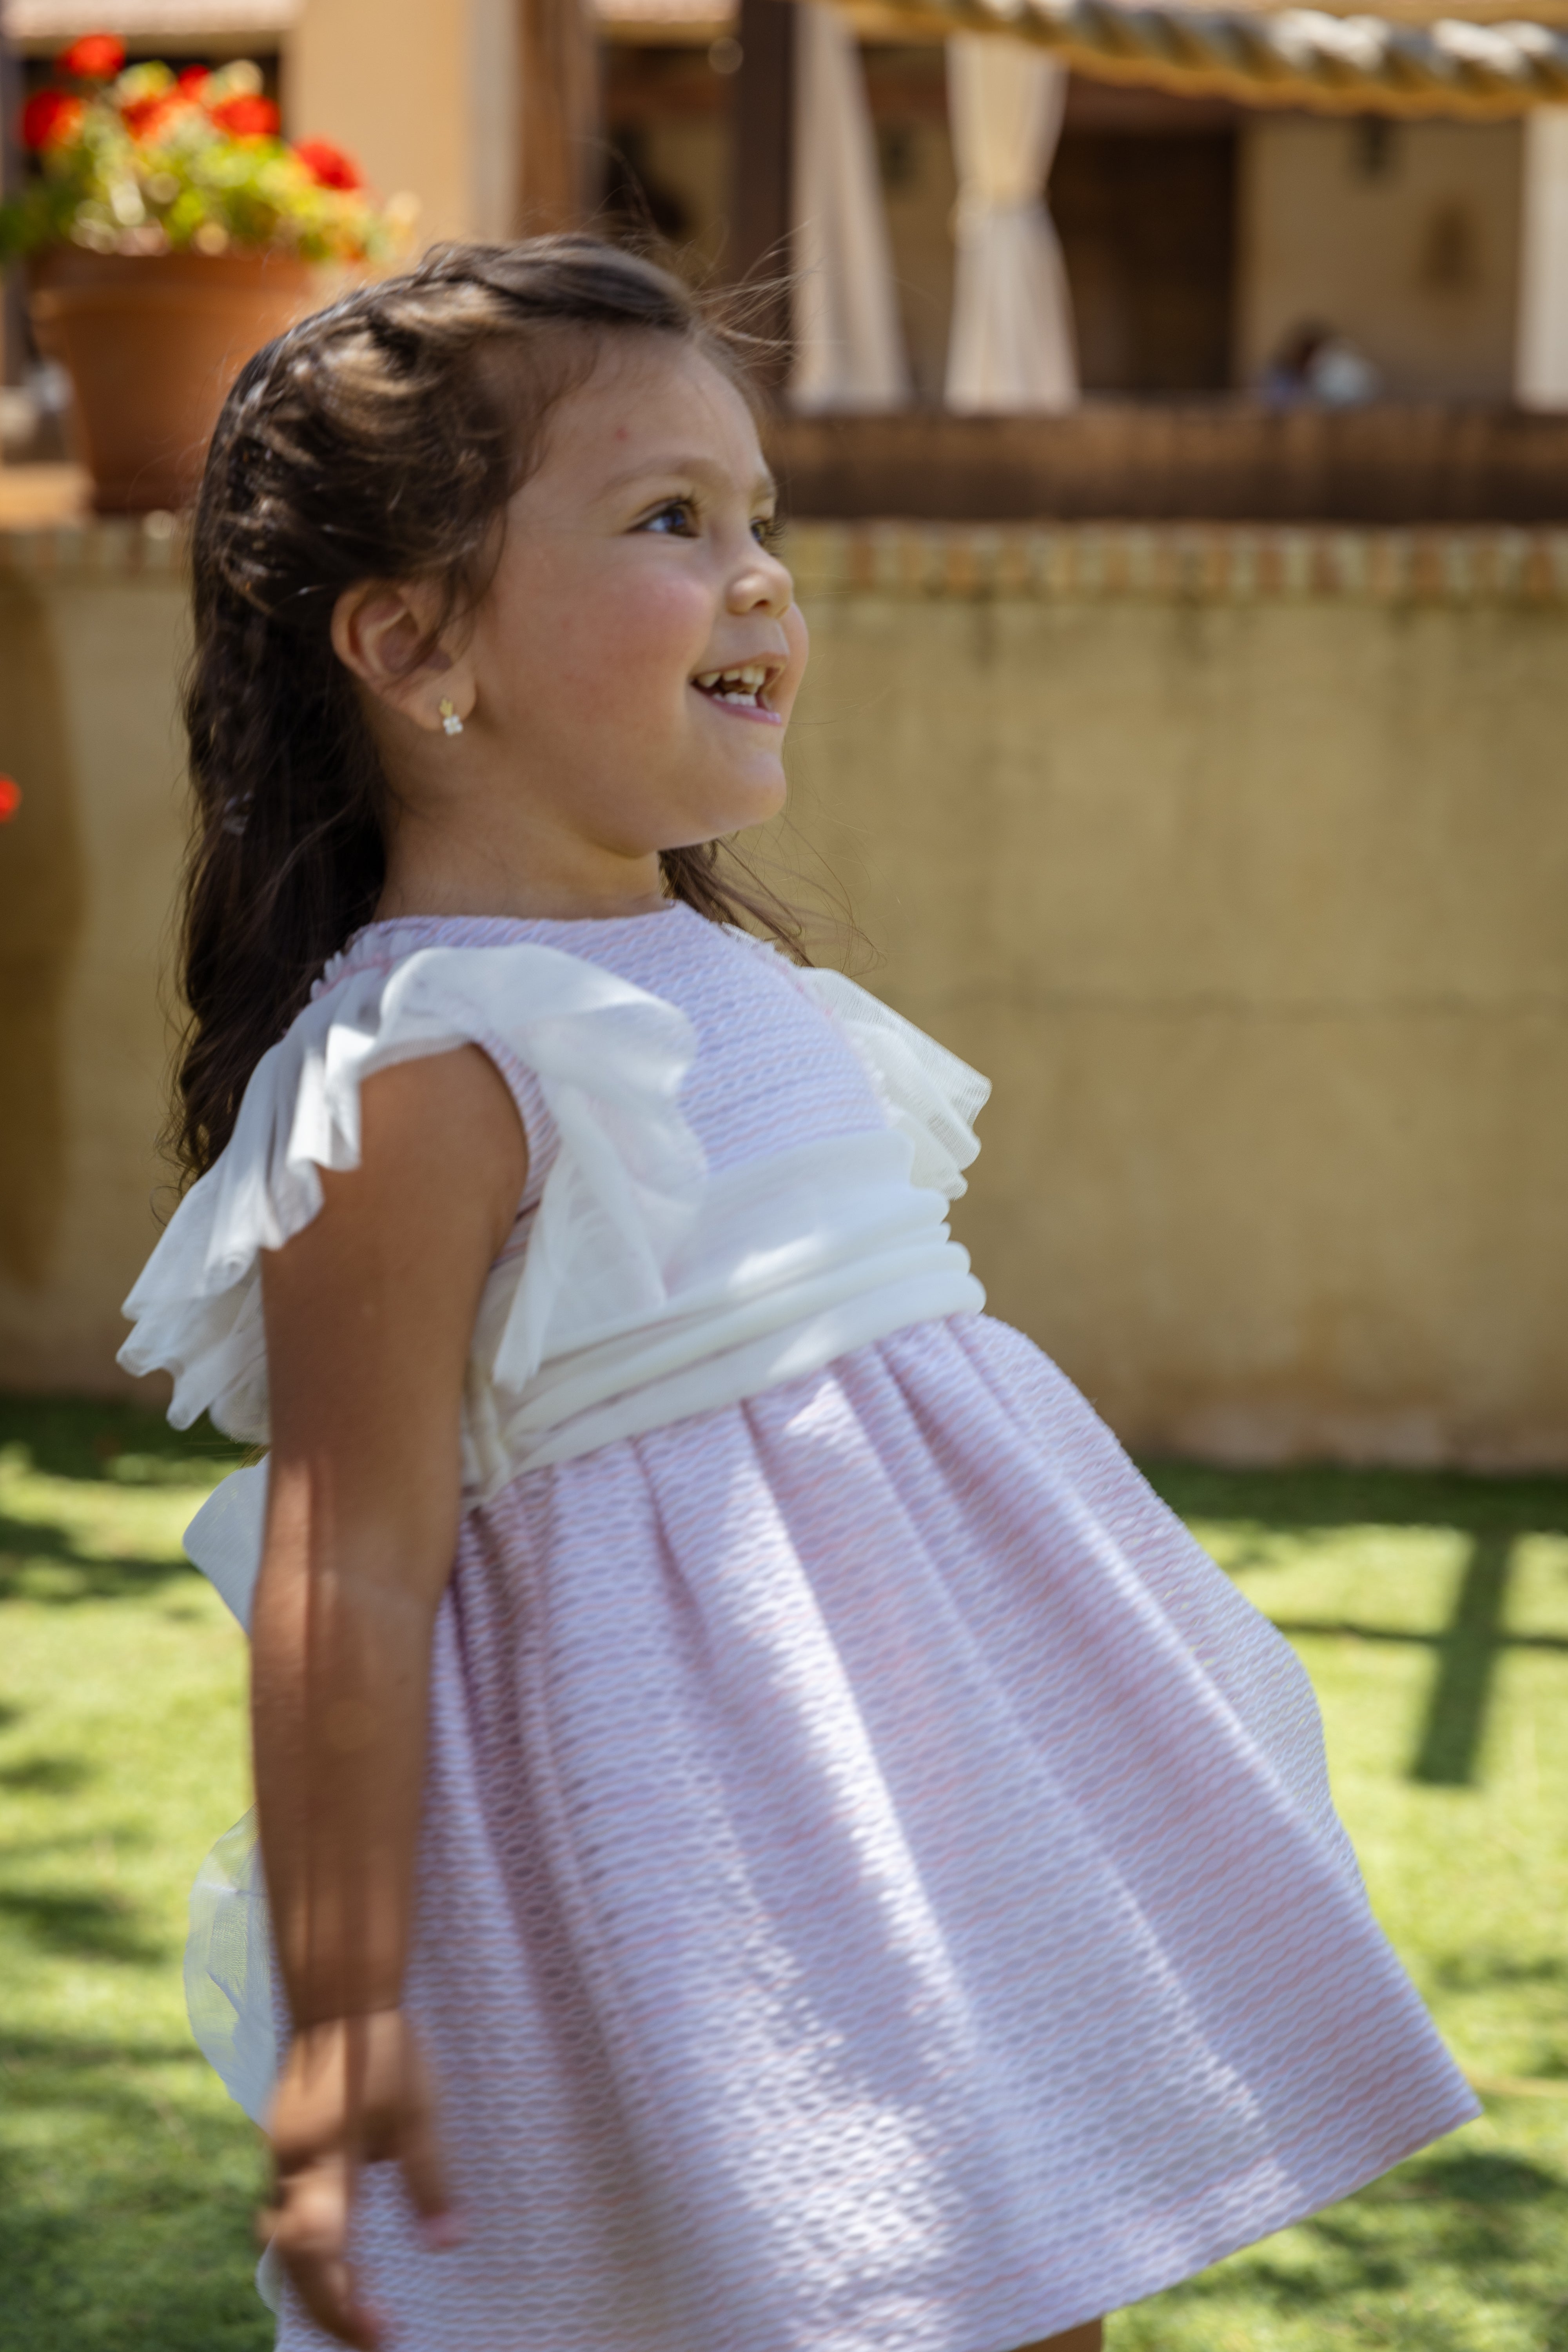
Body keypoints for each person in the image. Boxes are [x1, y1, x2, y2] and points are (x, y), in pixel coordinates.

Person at [121, 238, 1477, 2352]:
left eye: (762, 521)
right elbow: (348, 1573)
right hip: (720, 1856)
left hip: (937, 1767)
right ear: (412, 641)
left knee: (1040, 2277)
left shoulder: (734, 982)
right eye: (672, 520)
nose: (758, 579)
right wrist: (349, 1999)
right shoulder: (431, 1070)